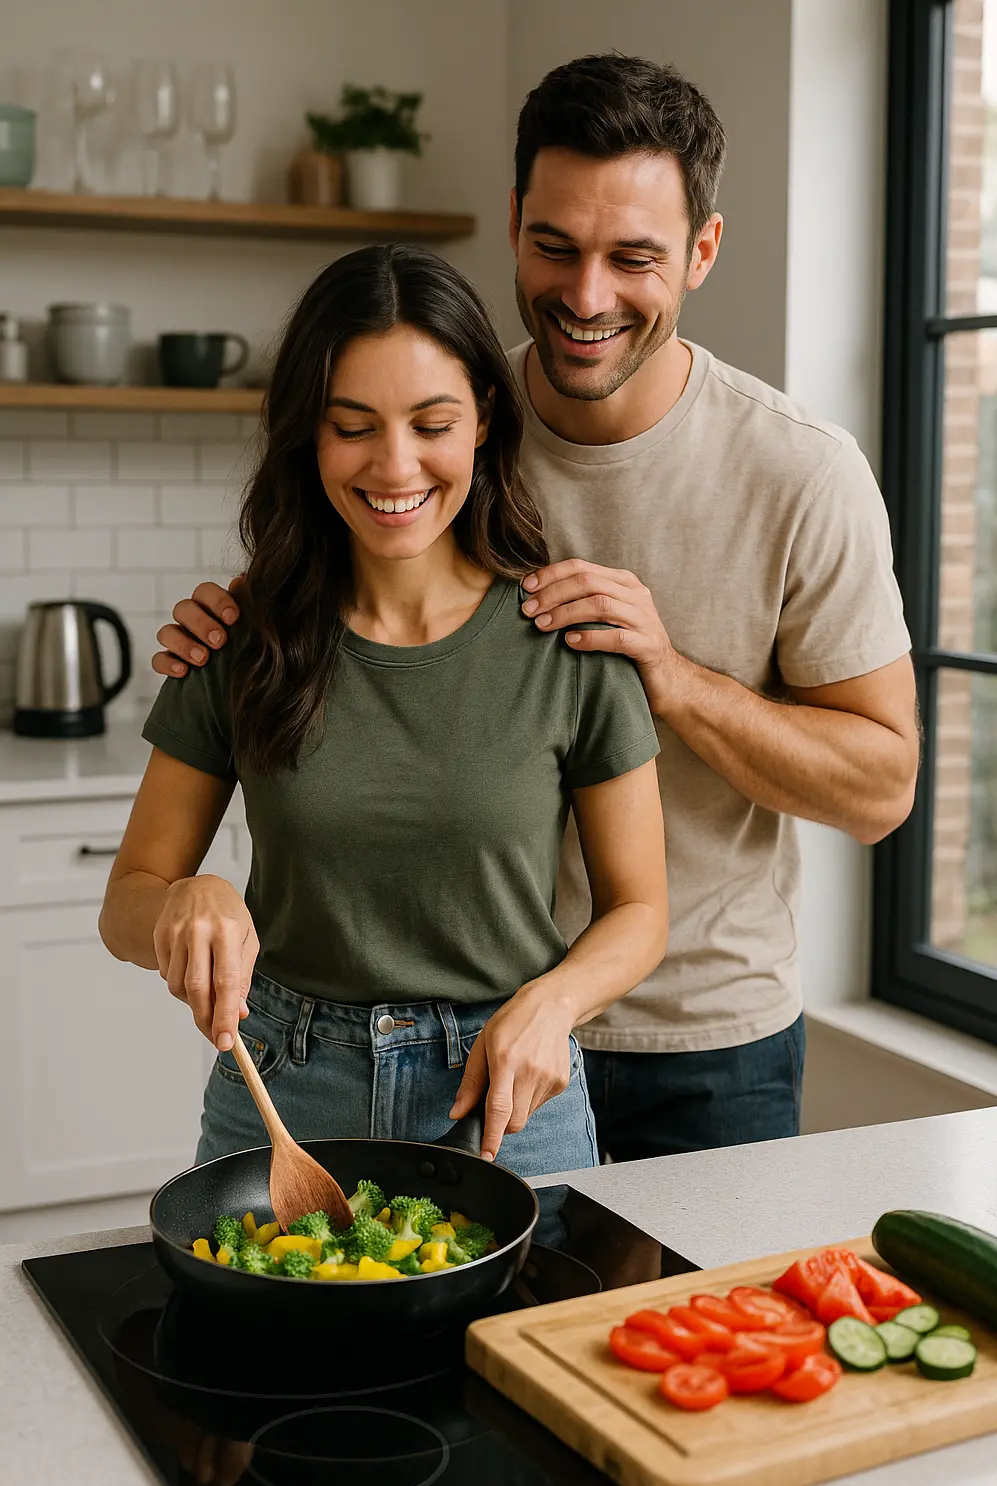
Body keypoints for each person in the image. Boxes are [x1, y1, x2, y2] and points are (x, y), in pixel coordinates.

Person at [150, 54, 919, 1164]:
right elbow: (328, 577)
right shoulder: (441, 419)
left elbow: (880, 790)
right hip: (438, 1037)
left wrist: (670, 676)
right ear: (513, 224)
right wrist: (226, 627)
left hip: (695, 1040)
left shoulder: (800, 473)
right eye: (556, 246)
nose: (587, 294)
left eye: (634, 257)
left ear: (702, 252)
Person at [100, 243, 668, 1175]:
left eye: (431, 423)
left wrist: (556, 1002)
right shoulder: (238, 639)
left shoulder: (565, 637)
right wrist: (183, 901)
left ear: (483, 417)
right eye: (352, 425)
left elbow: (641, 908)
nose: (394, 465)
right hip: (286, 1091)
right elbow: (126, 901)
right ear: (308, 436)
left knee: (524, 1329)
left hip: (505, 1096)